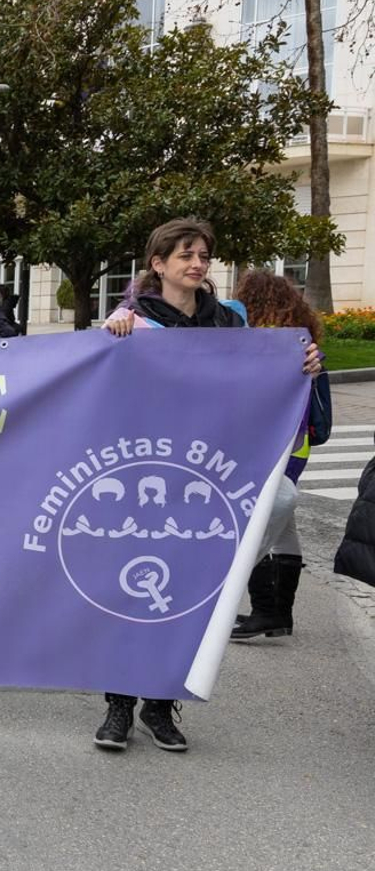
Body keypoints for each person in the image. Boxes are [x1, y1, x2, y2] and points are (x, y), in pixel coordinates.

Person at [96, 218, 323, 752]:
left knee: (188, 594)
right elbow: (102, 386)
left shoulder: (228, 324)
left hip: (206, 477)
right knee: (132, 595)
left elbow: (256, 381)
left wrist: (302, 364)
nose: (196, 264)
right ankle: (118, 707)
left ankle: (160, 705)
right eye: (184, 255)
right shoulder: (134, 320)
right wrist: (111, 337)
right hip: (145, 478)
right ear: (158, 264)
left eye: (202, 255)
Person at [230, 268, 321, 641]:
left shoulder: (260, 342)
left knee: (256, 522)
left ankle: (268, 609)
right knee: (283, 527)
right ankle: (275, 612)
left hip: (267, 444)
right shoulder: (301, 337)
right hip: (298, 446)